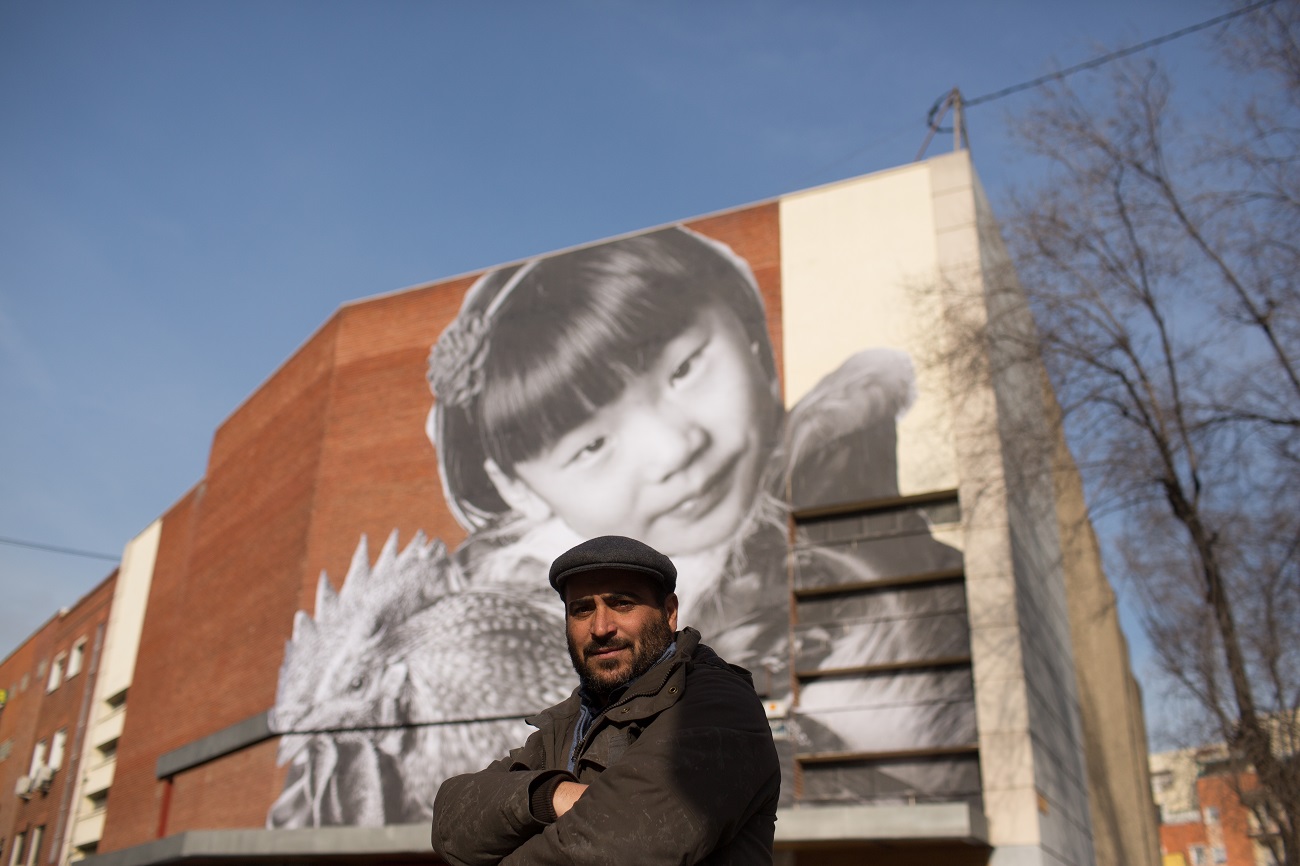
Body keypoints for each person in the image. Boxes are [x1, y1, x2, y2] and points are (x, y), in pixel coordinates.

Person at [430, 535, 781, 866]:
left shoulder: (716, 705)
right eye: (582, 609)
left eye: (622, 603)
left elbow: (627, 843)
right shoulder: (565, 725)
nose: (600, 627)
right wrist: (554, 795)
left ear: (669, 612)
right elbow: (450, 821)